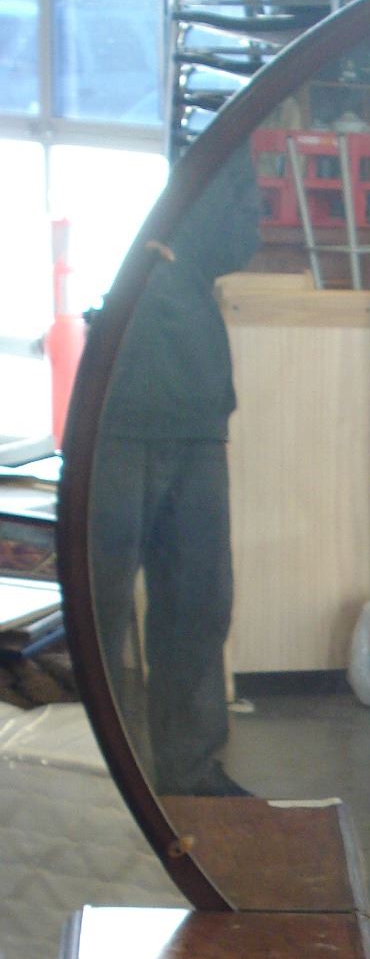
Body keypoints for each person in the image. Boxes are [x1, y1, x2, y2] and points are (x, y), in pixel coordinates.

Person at [89, 147, 260, 796]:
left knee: (198, 601)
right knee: (100, 608)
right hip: (120, 406)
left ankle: (187, 774)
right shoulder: (129, 138)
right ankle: (103, 770)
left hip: (192, 405)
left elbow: (235, 242)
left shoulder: (217, 141)